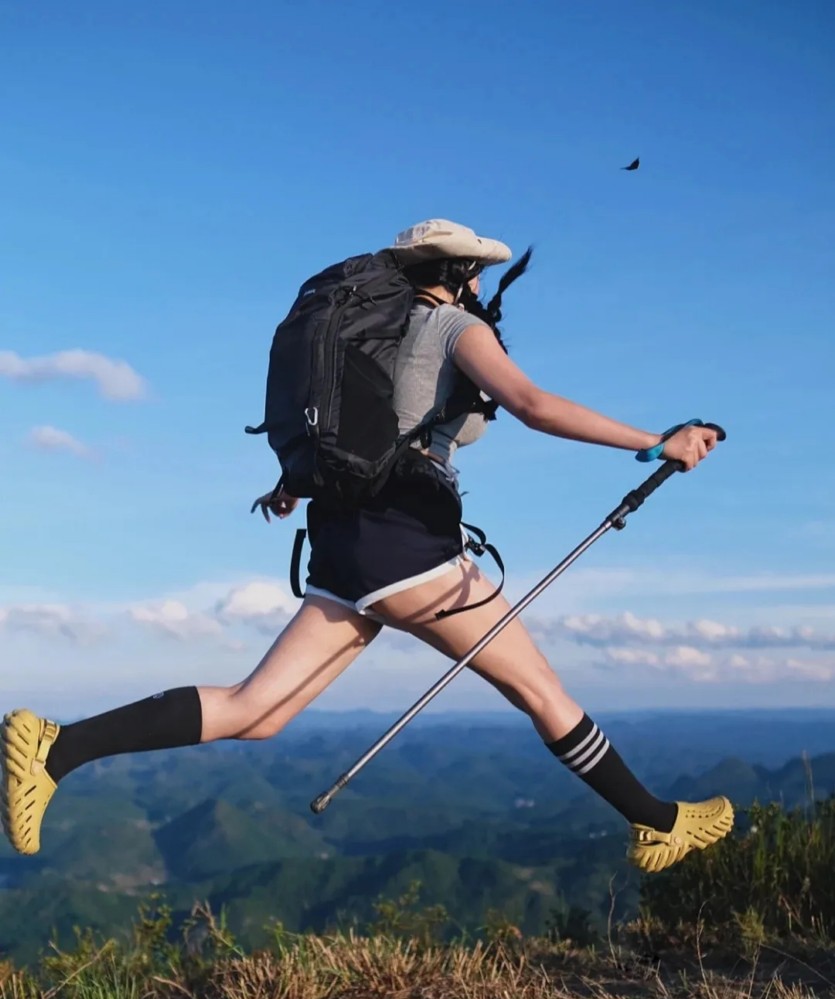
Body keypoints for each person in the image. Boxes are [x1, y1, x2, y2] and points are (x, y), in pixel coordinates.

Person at [1, 218, 733, 873]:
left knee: (257, 711)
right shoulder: (452, 328)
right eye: (474, 270)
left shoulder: (363, 338)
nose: (480, 281)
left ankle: (56, 749)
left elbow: (349, 430)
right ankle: (657, 821)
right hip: (407, 544)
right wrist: (652, 443)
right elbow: (531, 404)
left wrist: (292, 483)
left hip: (345, 542)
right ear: (457, 273)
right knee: (541, 690)